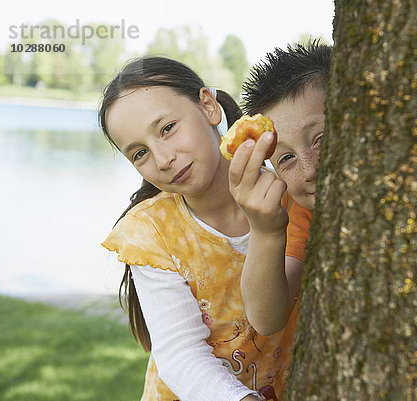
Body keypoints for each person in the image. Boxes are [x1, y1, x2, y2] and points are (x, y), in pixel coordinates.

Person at [99, 56, 295, 401]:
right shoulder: (151, 232)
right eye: (140, 153)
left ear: (208, 107)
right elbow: (179, 355)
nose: (163, 159)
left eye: (167, 128)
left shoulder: (288, 195)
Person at [231, 41, 332, 336]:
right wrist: (265, 230)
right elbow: (266, 320)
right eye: (286, 158)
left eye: (321, 138)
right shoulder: (302, 213)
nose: (311, 168)